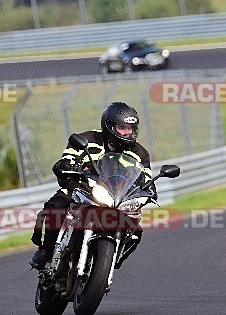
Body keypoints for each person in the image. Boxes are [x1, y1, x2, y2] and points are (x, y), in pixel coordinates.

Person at [29, 102, 154, 270]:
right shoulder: (87, 140)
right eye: (122, 128)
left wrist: (150, 190)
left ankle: (111, 260)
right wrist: (68, 165)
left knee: (135, 232)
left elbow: (145, 178)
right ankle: (46, 250)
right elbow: (68, 157)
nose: (127, 133)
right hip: (83, 189)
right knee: (56, 206)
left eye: (130, 128)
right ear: (109, 126)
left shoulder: (140, 154)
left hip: (117, 197)